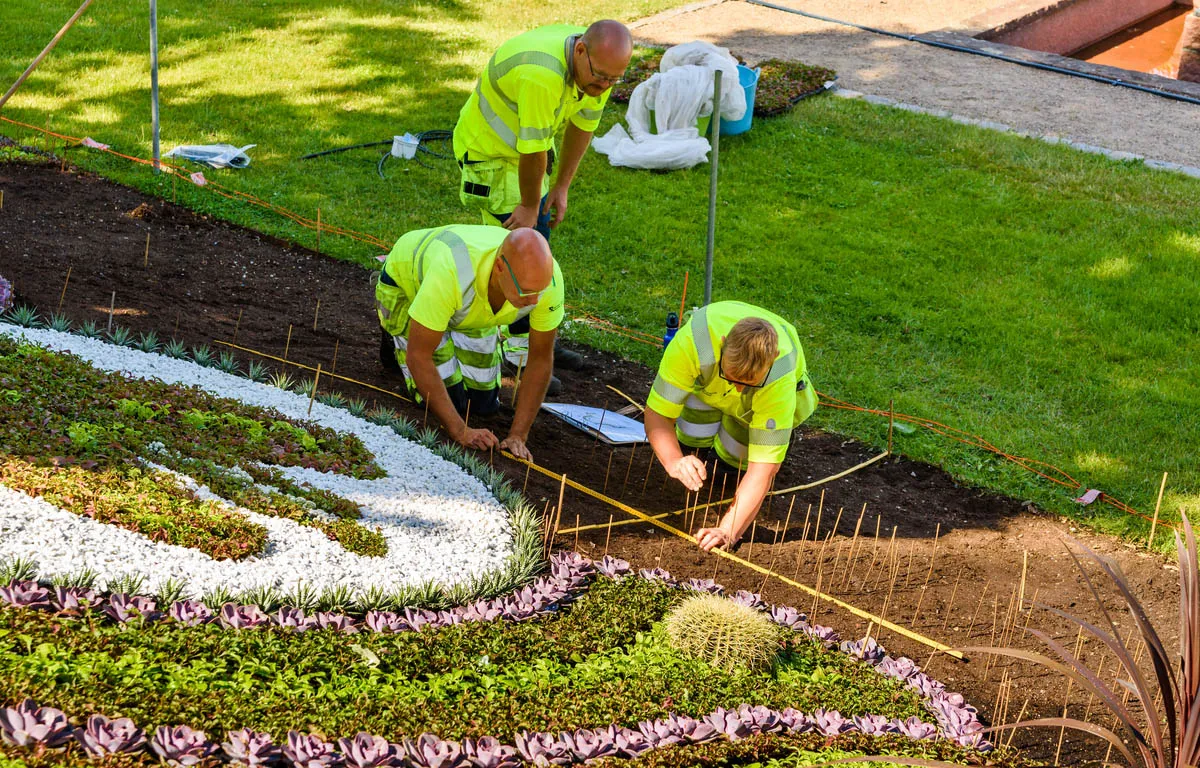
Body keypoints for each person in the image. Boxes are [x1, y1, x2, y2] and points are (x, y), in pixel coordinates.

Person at [452, 20, 633, 378]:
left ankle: (536, 340)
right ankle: (518, 352)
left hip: (524, 156)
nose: (605, 87)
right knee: (519, 250)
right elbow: (532, 151)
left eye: (614, 81)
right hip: (488, 155)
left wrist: (562, 187)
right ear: (580, 51)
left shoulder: (602, 67)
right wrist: (530, 206)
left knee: (538, 243)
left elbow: (583, 126)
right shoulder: (542, 75)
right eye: (601, 78)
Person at [374, 224, 563, 461]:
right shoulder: (452, 269)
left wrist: (518, 435)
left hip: (468, 305)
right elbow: (419, 356)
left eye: (540, 291)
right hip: (408, 286)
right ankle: (393, 340)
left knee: (484, 405)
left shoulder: (547, 281)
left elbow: (540, 358)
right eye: (525, 291)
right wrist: (460, 431)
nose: (534, 300)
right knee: (450, 401)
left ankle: (448, 327)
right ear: (500, 267)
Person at [644, 301, 819, 552]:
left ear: (772, 362)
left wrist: (728, 530)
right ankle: (697, 449)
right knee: (689, 439)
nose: (737, 388)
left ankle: (723, 460)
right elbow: (658, 414)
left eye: (748, 382)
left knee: (731, 464)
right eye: (732, 377)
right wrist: (674, 461)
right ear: (723, 344)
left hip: (753, 407)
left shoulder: (780, 377)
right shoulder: (693, 343)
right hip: (706, 389)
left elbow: (764, 469)